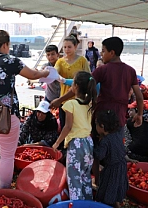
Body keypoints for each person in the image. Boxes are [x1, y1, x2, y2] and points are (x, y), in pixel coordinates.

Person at [0, 30, 49, 190]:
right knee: (7, 155)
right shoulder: (10, 61)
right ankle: (4, 190)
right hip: (6, 115)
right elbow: (34, 75)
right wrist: (47, 72)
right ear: (5, 45)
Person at [91, 36, 144, 187]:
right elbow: (139, 96)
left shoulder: (102, 70)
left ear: (112, 52)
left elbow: (86, 86)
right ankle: (114, 180)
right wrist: (139, 114)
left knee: (97, 148)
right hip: (120, 115)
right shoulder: (130, 71)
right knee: (115, 149)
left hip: (102, 116)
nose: (101, 54)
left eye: (103, 51)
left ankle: (97, 180)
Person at [52, 71, 96, 200]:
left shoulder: (70, 104)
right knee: (85, 177)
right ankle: (88, 202)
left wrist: (57, 143)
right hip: (88, 143)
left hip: (76, 145)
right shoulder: (90, 103)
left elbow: (68, 127)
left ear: (75, 86)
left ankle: (76, 203)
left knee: (74, 180)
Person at [50, 34, 90, 130]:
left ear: (75, 47)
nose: (66, 49)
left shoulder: (82, 61)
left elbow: (88, 77)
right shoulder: (60, 61)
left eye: (69, 47)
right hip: (64, 101)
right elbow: (55, 72)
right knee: (65, 128)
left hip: (79, 100)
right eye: (64, 47)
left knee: (77, 128)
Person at [93, 110, 128, 208]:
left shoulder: (105, 141)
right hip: (121, 166)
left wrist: (93, 148)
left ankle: (106, 204)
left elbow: (100, 155)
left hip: (112, 169)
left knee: (108, 189)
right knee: (117, 188)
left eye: (96, 124)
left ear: (102, 126)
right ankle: (116, 204)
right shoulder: (117, 135)